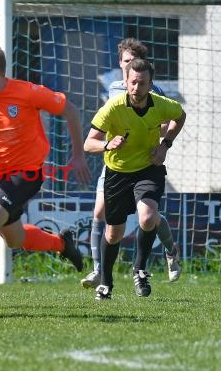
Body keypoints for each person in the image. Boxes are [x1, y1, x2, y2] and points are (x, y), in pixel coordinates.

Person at [0, 45, 91, 317]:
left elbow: (70, 110)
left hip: (27, 173)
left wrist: (78, 155)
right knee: (14, 239)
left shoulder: (28, 93)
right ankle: (62, 244)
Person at [81, 38, 182, 289]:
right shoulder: (114, 93)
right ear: (122, 69)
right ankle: (99, 272)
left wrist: (163, 143)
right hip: (115, 164)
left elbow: (170, 120)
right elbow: (93, 136)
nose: (135, 83)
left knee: (147, 217)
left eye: (140, 77)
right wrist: (108, 142)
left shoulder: (155, 96)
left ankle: (153, 260)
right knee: (101, 216)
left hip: (145, 164)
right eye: (126, 64)